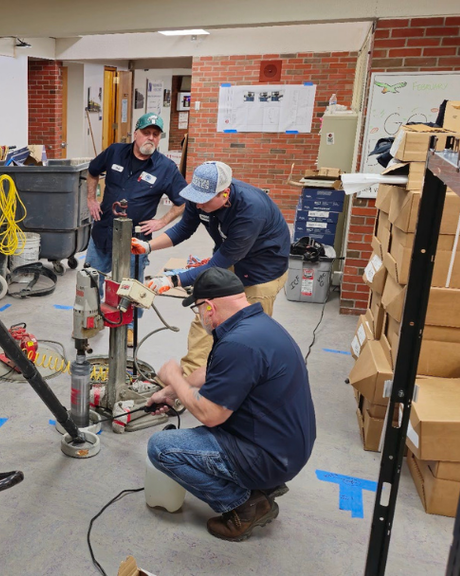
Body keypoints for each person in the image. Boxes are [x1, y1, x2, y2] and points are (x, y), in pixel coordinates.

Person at [145, 268, 315, 542]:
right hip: (285, 446)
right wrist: (171, 392)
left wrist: (175, 377)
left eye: (197, 309)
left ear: (209, 307)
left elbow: (210, 414)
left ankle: (242, 505)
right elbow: (213, 371)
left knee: (161, 448)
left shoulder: (238, 344)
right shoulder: (256, 325)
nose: (198, 316)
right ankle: (260, 487)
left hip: (270, 457)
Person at [138, 161, 290, 374]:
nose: (197, 205)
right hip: (229, 259)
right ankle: (189, 379)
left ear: (225, 194)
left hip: (262, 271)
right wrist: (147, 246)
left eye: (203, 201)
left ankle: (239, 384)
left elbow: (218, 263)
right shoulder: (199, 196)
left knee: (248, 334)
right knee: (206, 316)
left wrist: (171, 281)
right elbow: (184, 228)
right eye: (195, 199)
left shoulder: (251, 210)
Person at [85, 112, 188, 326]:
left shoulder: (165, 168)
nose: (151, 138)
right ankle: (89, 320)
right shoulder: (115, 152)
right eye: (146, 133)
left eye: (156, 135)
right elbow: (93, 172)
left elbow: (183, 201)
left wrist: (161, 222)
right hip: (103, 230)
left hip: (135, 239)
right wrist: (91, 200)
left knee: (132, 286)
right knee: (92, 279)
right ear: (136, 134)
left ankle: (130, 327)